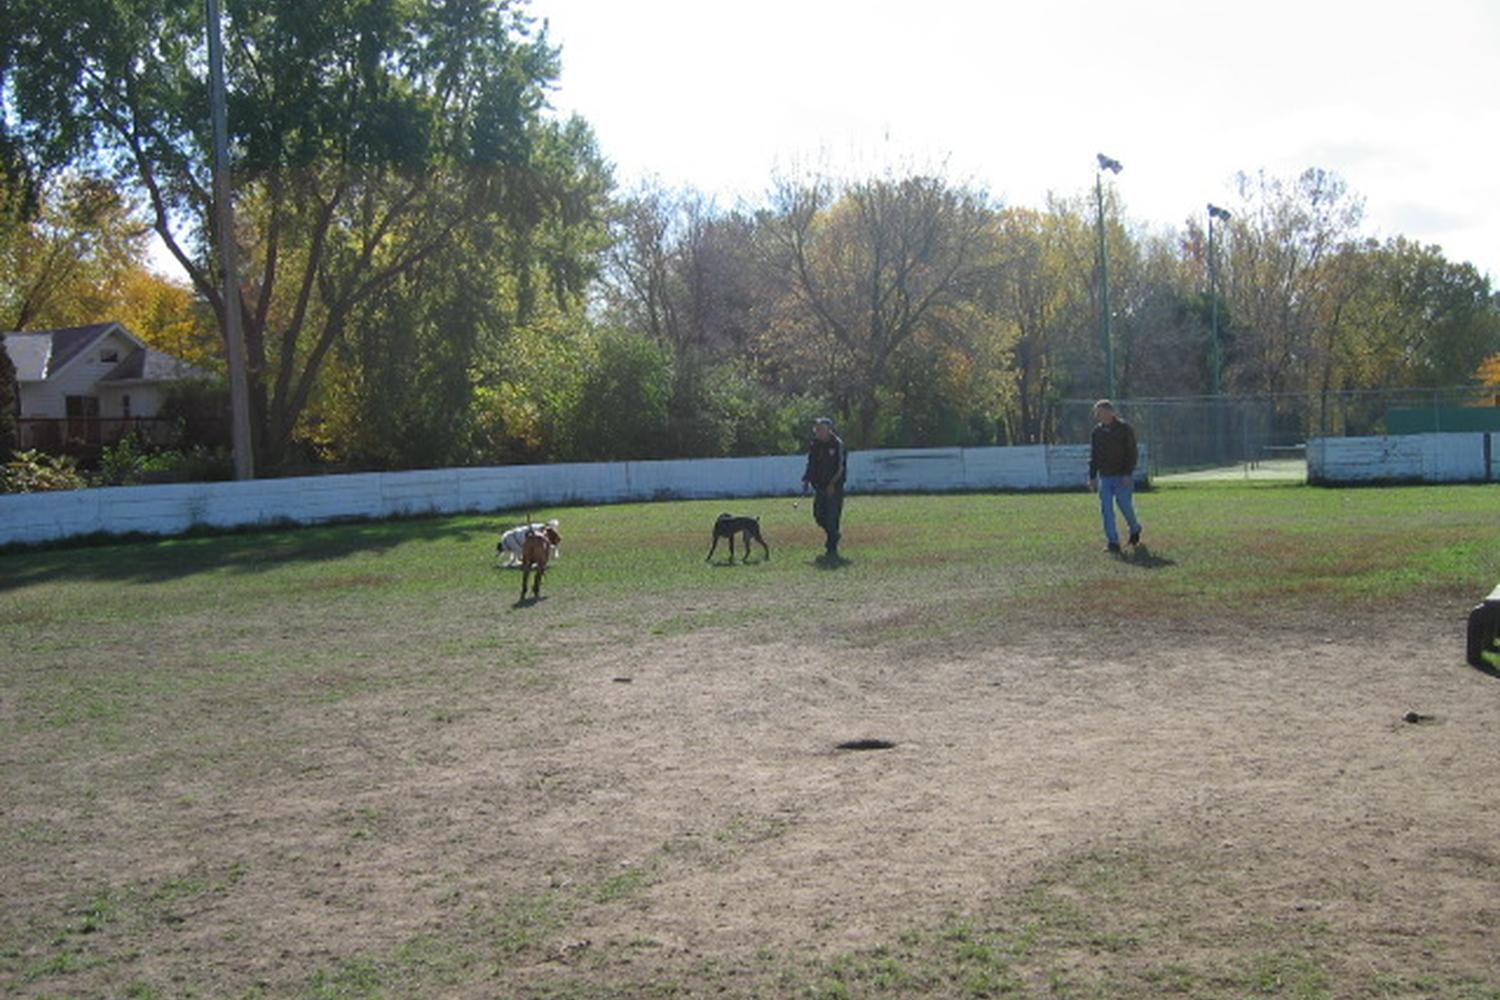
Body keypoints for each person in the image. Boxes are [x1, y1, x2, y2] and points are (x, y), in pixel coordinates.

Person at [1087, 399, 1142, 553]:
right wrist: (1092, 476)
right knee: (1107, 509)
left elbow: (1132, 452)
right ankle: (1113, 542)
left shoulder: (1124, 429)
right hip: (1105, 476)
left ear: (1110, 412)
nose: (1098, 415)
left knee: (1125, 505)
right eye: (1097, 413)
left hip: (1122, 475)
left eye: (1101, 412)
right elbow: (1094, 455)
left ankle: (1135, 528)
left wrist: (1128, 473)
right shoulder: (1097, 432)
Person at [802, 417, 847, 558]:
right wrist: (807, 479)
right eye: (816, 429)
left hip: (834, 487)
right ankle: (834, 535)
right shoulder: (815, 445)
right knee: (819, 516)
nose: (817, 432)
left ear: (829, 430)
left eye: (820, 429)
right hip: (819, 485)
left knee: (832, 517)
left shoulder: (838, 444)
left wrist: (832, 484)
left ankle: (832, 547)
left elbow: (841, 467)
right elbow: (811, 463)